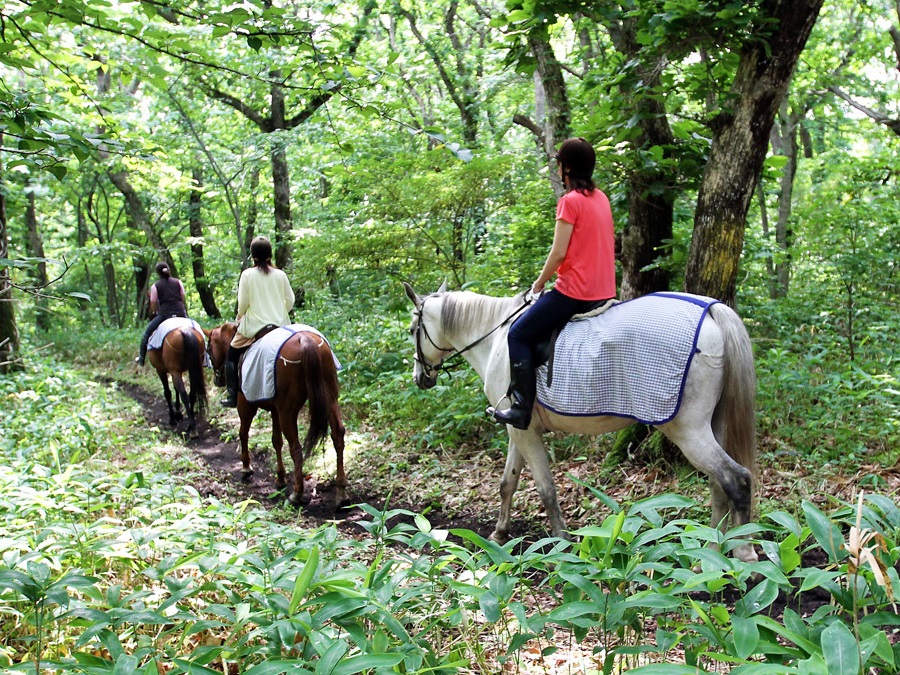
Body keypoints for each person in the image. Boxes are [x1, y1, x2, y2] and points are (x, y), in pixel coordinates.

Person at [488, 137, 617, 430]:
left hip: (576, 292)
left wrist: (538, 283)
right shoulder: (602, 198)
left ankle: (521, 408)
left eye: (558, 163)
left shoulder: (569, 202)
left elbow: (558, 253)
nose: (557, 168)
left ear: (567, 168)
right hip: (605, 290)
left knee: (518, 333)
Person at [221, 235, 295, 407]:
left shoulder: (247, 275)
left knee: (231, 356)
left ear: (252, 255)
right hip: (281, 327)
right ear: (270, 254)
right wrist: (280, 312)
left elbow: (243, 303)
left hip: (255, 328)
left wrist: (240, 316)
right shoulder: (280, 274)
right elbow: (290, 300)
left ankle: (232, 396)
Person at [136, 262, 187, 366]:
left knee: (146, 334)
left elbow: (153, 301)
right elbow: (182, 297)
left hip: (165, 314)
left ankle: (141, 359)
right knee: (196, 328)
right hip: (181, 312)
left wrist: (155, 311)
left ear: (158, 273)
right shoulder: (178, 282)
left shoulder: (156, 286)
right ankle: (205, 356)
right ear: (169, 270)